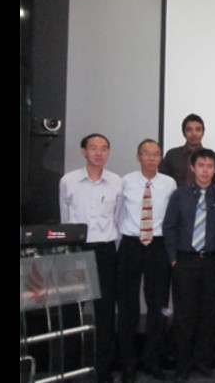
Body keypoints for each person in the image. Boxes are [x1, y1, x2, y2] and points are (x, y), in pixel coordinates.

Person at [58, 133, 122, 383]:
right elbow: (64, 215)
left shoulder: (116, 182)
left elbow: (118, 217)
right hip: (75, 250)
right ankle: (72, 370)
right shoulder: (68, 181)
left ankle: (103, 370)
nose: (99, 153)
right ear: (84, 151)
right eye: (93, 148)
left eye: (104, 148)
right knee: (72, 312)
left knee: (105, 313)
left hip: (105, 251)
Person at [116, 139, 177, 382]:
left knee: (157, 306)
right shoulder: (126, 182)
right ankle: (128, 364)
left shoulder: (169, 183)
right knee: (128, 307)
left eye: (156, 154)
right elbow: (117, 213)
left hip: (158, 247)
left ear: (160, 158)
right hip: (130, 245)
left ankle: (152, 361)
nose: (151, 158)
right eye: (146, 153)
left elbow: (172, 219)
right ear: (138, 156)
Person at [164, 149, 215, 379]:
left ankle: (203, 362)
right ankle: (182, 366)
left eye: (210, 166)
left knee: (209, 316)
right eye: (201, 165)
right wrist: (173, 258)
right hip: (185, 262)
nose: (205, 170)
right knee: (184, 316)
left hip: (213, 261)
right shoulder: (179, 195)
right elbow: (169, 227)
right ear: (193, 167)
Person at [160, 113, 206, 187]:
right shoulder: (172, 155)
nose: (194, 133)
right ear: (183, 133)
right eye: (189, 130)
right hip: (176, 197)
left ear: (203, 133)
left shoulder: (210, 157)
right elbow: (163, 181)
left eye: (198, 129)